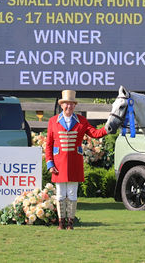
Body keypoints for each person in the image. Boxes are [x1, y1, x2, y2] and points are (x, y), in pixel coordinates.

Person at [45, 89, 108, 230]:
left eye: (72, 104)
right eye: (66, 104)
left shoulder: (82, 121)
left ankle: (70, 223)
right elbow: (48, 145)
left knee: (72, 193)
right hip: (58, 164)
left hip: (74, 163)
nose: (69, 107)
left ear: (75, 106)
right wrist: (50, 163)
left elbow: (95, 133)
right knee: (60, 194)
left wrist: (107, 128)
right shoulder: (53, 121)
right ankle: (61, 222)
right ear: (61, 105)